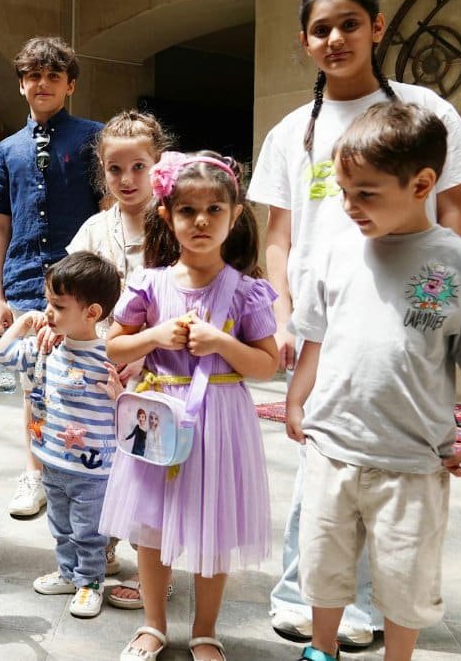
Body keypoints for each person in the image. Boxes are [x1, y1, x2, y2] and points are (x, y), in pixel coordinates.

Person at [246, 0, 461, 648]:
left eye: (348, 24)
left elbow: (453, 212)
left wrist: (442, 299)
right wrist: (283, 302)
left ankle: (367, 607)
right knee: (322, 455)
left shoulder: (423, 110)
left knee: (391, 460)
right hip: (324, 317)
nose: (335, 39)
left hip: (406, 318)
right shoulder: (290, 129)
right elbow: (278, 233)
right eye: (320, 29)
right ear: (305, 41)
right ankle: (302, 594)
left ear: (377, 27)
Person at [287, 102, 461, 661]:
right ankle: (321, 649)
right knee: (322, 563)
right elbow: (315, 334)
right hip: (332, 447)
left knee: (405, 577)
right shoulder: (338, 253)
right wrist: (297, 398)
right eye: (343, 190)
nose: (349, 206)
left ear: (422, 184)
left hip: (412, 461)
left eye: (366, 193)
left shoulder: (455, 262)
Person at [104, 151, 280, 661]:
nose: (201, 222)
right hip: (157, 417)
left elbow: (267, 366)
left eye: (214, 211)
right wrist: (155, 334)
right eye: (187, 211)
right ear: (167, 215)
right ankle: (153, 625)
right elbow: (114, 346)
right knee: (151, 527)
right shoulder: (149, 284)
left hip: (220, 420)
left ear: (235, 213)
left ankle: (206, 631)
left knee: (213, 525)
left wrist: (222, 344)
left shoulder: (247, 293)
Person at [0, 36, 104, 518]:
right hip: (24, 282)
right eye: (33, 75)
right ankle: (35, 474)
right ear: (21, 84)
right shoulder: (6, 149)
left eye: (53, 76)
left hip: (80, 283)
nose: (43, 83)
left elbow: (105, 209)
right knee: (36, 384)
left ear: (70, 85)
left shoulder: (92, 136)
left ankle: (90, 470)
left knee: (87, 376)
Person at [67, 109, 172, 605]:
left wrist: (143, 350)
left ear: (158, 164)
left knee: (149, 465)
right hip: (99, 369)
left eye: (139, 167)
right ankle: (101, 545)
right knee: (102, 461)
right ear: (102, 171)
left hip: (157, 370)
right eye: (115, 169)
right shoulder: (94, 228)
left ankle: (155, 570)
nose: (127, 179)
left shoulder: (173, 224)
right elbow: (68, 285)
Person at [0, 251, 123, 619]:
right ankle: (69, 573)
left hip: (93, 470)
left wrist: (119, 397)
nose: (48, 312)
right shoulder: (46, 346)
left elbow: (131, 408)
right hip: (52, 461)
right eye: (48, 302)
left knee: (89, 531)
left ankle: (90, 582)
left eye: (58, 306)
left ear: (92, 313)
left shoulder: (108, 355)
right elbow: (2, 355)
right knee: (60, 525)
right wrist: (22, 326)